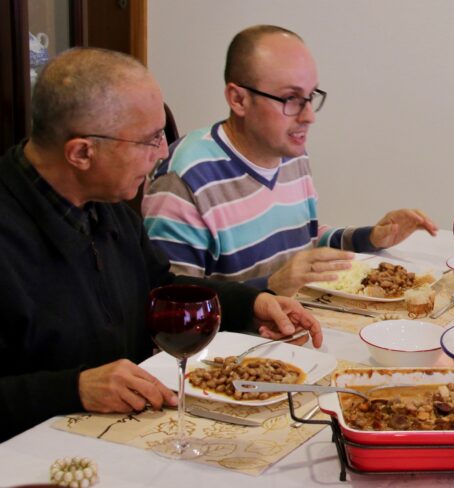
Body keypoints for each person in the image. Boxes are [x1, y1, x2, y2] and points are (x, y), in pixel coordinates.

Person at [0, 47, 324, 442]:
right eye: (149, 140)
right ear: (82, 152)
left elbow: (159, 289)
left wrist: (250, 303)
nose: (161, 155)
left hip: (124, 434)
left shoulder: (106, 202)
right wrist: (74, 387)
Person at [142, 25, 437, 297]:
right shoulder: (183, 179)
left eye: (310, 97)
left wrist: (369, 237)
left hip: (293, 325)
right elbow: (171, 306)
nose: (309, 116)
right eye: (290, 99)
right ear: (239, 99)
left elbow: (303, 243)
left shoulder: (289, 153)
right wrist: (269, 287)